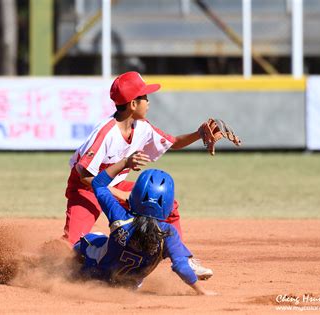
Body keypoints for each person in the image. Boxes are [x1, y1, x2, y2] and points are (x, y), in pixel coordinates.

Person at [63, 71, 215, 279]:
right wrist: (116, 193)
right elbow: (83, 174)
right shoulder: (105, 133)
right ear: (133, 104)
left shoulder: (142, 127)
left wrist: (199, 134)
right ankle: (39, 267)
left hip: (114, 185)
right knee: (70, 247)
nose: (149, 102)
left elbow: (174, 142)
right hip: (86, 189)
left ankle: (183, 258)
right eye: (145, 98)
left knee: (168, 205)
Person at [73, 152, 216, 295]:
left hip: (93, 273)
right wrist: (201, 291)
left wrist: (125, 162)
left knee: (93, 238)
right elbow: (181, 266)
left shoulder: (120, 217)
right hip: (127, 288)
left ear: (135, 195)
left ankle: (68, 270)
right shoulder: (168, 233)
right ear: (168, 204)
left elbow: (98, 183)